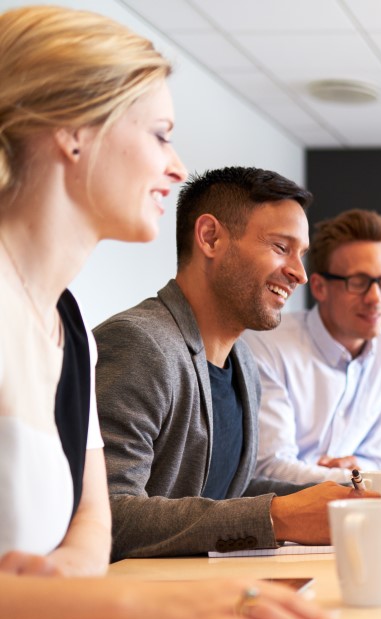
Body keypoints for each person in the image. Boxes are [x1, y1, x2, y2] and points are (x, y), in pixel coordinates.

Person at [0, 5, 379, 619]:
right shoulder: (123, 338)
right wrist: (144, 605)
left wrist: (69, 570)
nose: (174, 163)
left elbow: (93, 522)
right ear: (72, 133)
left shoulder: (60, 319)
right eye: (161, 132)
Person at [94, 166, 363, 562]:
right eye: (280, 247)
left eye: (301, 254)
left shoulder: (244, 364)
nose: (299, 274)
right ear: (210, 237)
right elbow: (108, 515)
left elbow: (224, 493)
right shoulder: (138, 344)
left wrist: (343, 498)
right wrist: (277, 516)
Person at [244, 208, 381, 485]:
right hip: (285, 517)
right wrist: (355, 476)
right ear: (319, 287)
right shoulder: (266, 344)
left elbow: (376, 460)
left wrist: (355, 473)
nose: (375, 298)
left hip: (359, 514)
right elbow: (270, 468)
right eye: (359, 282)